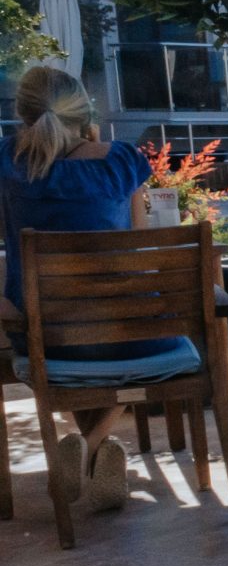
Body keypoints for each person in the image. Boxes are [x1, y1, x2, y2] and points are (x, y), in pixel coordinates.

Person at [2, 67, 154, 511]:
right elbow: (139, 248)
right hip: (126, 336)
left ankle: (85, 446)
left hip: (43, 334)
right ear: (84, 111)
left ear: (22, 112)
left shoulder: (6, 162)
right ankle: (94, 444)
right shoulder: (121, 161)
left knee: (65, 352)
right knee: (154, 337)